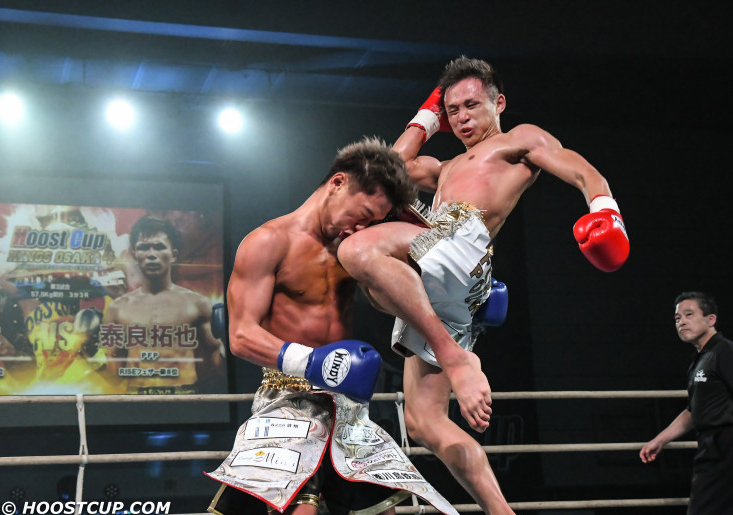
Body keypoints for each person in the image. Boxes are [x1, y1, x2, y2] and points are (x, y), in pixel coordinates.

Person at [337, 57, 630, 514]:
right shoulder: (447, 167)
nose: (462, 117)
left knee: (356, 250)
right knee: (423, 422)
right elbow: (388, 171)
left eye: (472, 105)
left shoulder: (517, 140)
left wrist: (605, 209)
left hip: (461, 245)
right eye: (453, 110)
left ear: (499, 103)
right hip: (439, 274)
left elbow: (581, 170)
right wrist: (426, 117)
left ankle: (458, 360)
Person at [206, 137, 459, 515]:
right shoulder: (269, 241)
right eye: (364, 213)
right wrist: (312, 362)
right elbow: (241, 335)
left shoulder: (355, 248)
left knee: (383, 510)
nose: (364, 226)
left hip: (347, 402)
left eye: (373, 222)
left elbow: (394, 299)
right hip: (289, 399)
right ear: (338, 183)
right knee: (300, 509)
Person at [102, 215, 224, 394]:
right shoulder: (117, 308)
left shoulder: (198, 304)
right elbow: (114, 369)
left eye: (159, 247)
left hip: (185, 396)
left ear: (173, 254)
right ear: (135, 255)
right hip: (136, 397)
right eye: (144, 247)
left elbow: (217, 366)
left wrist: (226, 348)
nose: (151, 255)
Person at [640, 292, 733, 515]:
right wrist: (660, 439)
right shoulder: (699, 361)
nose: (681, 322)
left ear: (710, 319)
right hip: (712, 446)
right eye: (677, 318)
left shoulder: (725, 352)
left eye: (689, 315)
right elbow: (694, 411)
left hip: (726, 443)